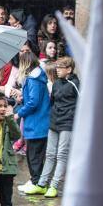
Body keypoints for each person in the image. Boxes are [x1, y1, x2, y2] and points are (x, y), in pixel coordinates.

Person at [28, 56, 79, 198]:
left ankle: (54, 186)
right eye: (56, 67)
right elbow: (52, 102)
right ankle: (42, 184)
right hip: (54, 122)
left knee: (61, 155)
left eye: (60, 68)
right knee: (50, 154)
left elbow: (82, 102)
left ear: (69, 69)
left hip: (68, 123)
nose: (57, 70)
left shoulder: (75, 84)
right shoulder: (56, 83)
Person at [14, 53, 51, 195]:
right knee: (34, 154)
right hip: (38, 123)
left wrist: (19, 113)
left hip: (37, 123)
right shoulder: (36, 78)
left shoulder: (34, 79)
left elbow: (34, 102)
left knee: (34, 155)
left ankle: (37, 183)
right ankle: (36, 180)